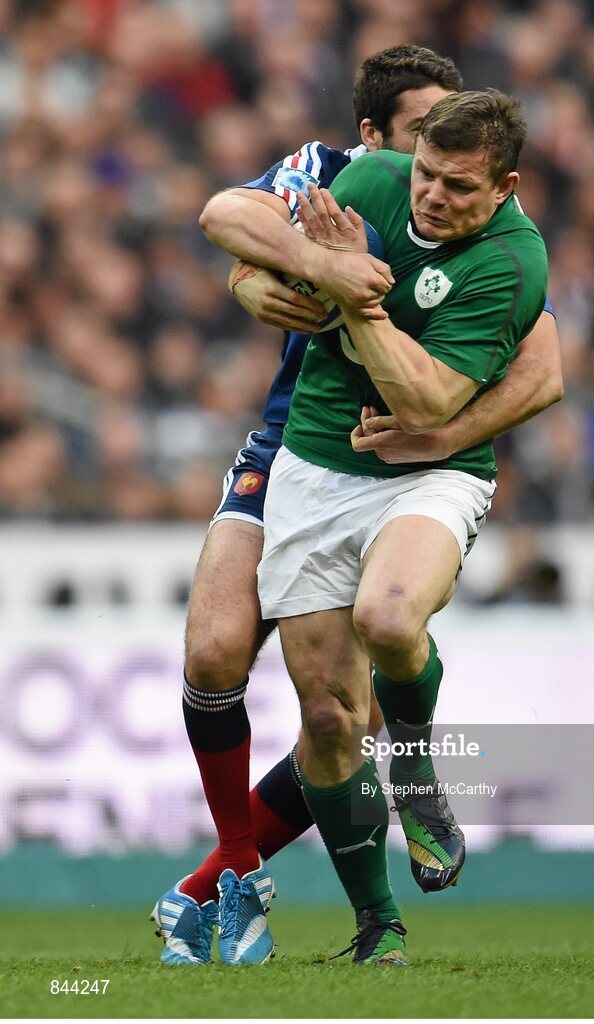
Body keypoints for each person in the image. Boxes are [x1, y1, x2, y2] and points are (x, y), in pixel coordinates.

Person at [152, 48, 561, 967]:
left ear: (498, 179)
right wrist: (296, 268)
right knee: (290, 694)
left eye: (455, 164)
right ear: (378, 140)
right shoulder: (343, 177)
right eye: (420, 144)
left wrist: (445, 432)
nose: (432, 180)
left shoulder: (509, 243)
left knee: (383, 631)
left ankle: (248, 868)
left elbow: (545, 369)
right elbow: (227, 221)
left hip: (416, 462)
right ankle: (275, 891)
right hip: (296, 451)